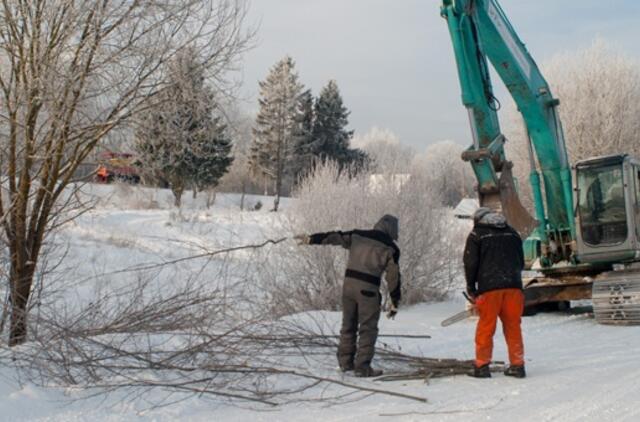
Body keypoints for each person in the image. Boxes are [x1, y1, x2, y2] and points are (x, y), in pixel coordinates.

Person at [294, 215, 401, 377]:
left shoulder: (357, 235)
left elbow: (335, 237)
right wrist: (395, 301)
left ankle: (345, 363)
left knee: (348, 326)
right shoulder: (391, 248)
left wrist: (311, 239)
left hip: (348, 288)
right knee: (368, 329)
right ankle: (362, 368)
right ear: (393, 229)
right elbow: (393, 277)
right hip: (368, 291)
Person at [463, 207, 526, 379]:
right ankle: (517, 365)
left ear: (478, 220)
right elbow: (521, 261)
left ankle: (482, 366)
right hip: (513, 287)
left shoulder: (477, 235)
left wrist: (471, 288)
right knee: (513, 326)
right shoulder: (512, 233)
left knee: (486, 327)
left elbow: (470, 263)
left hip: (489, 289)